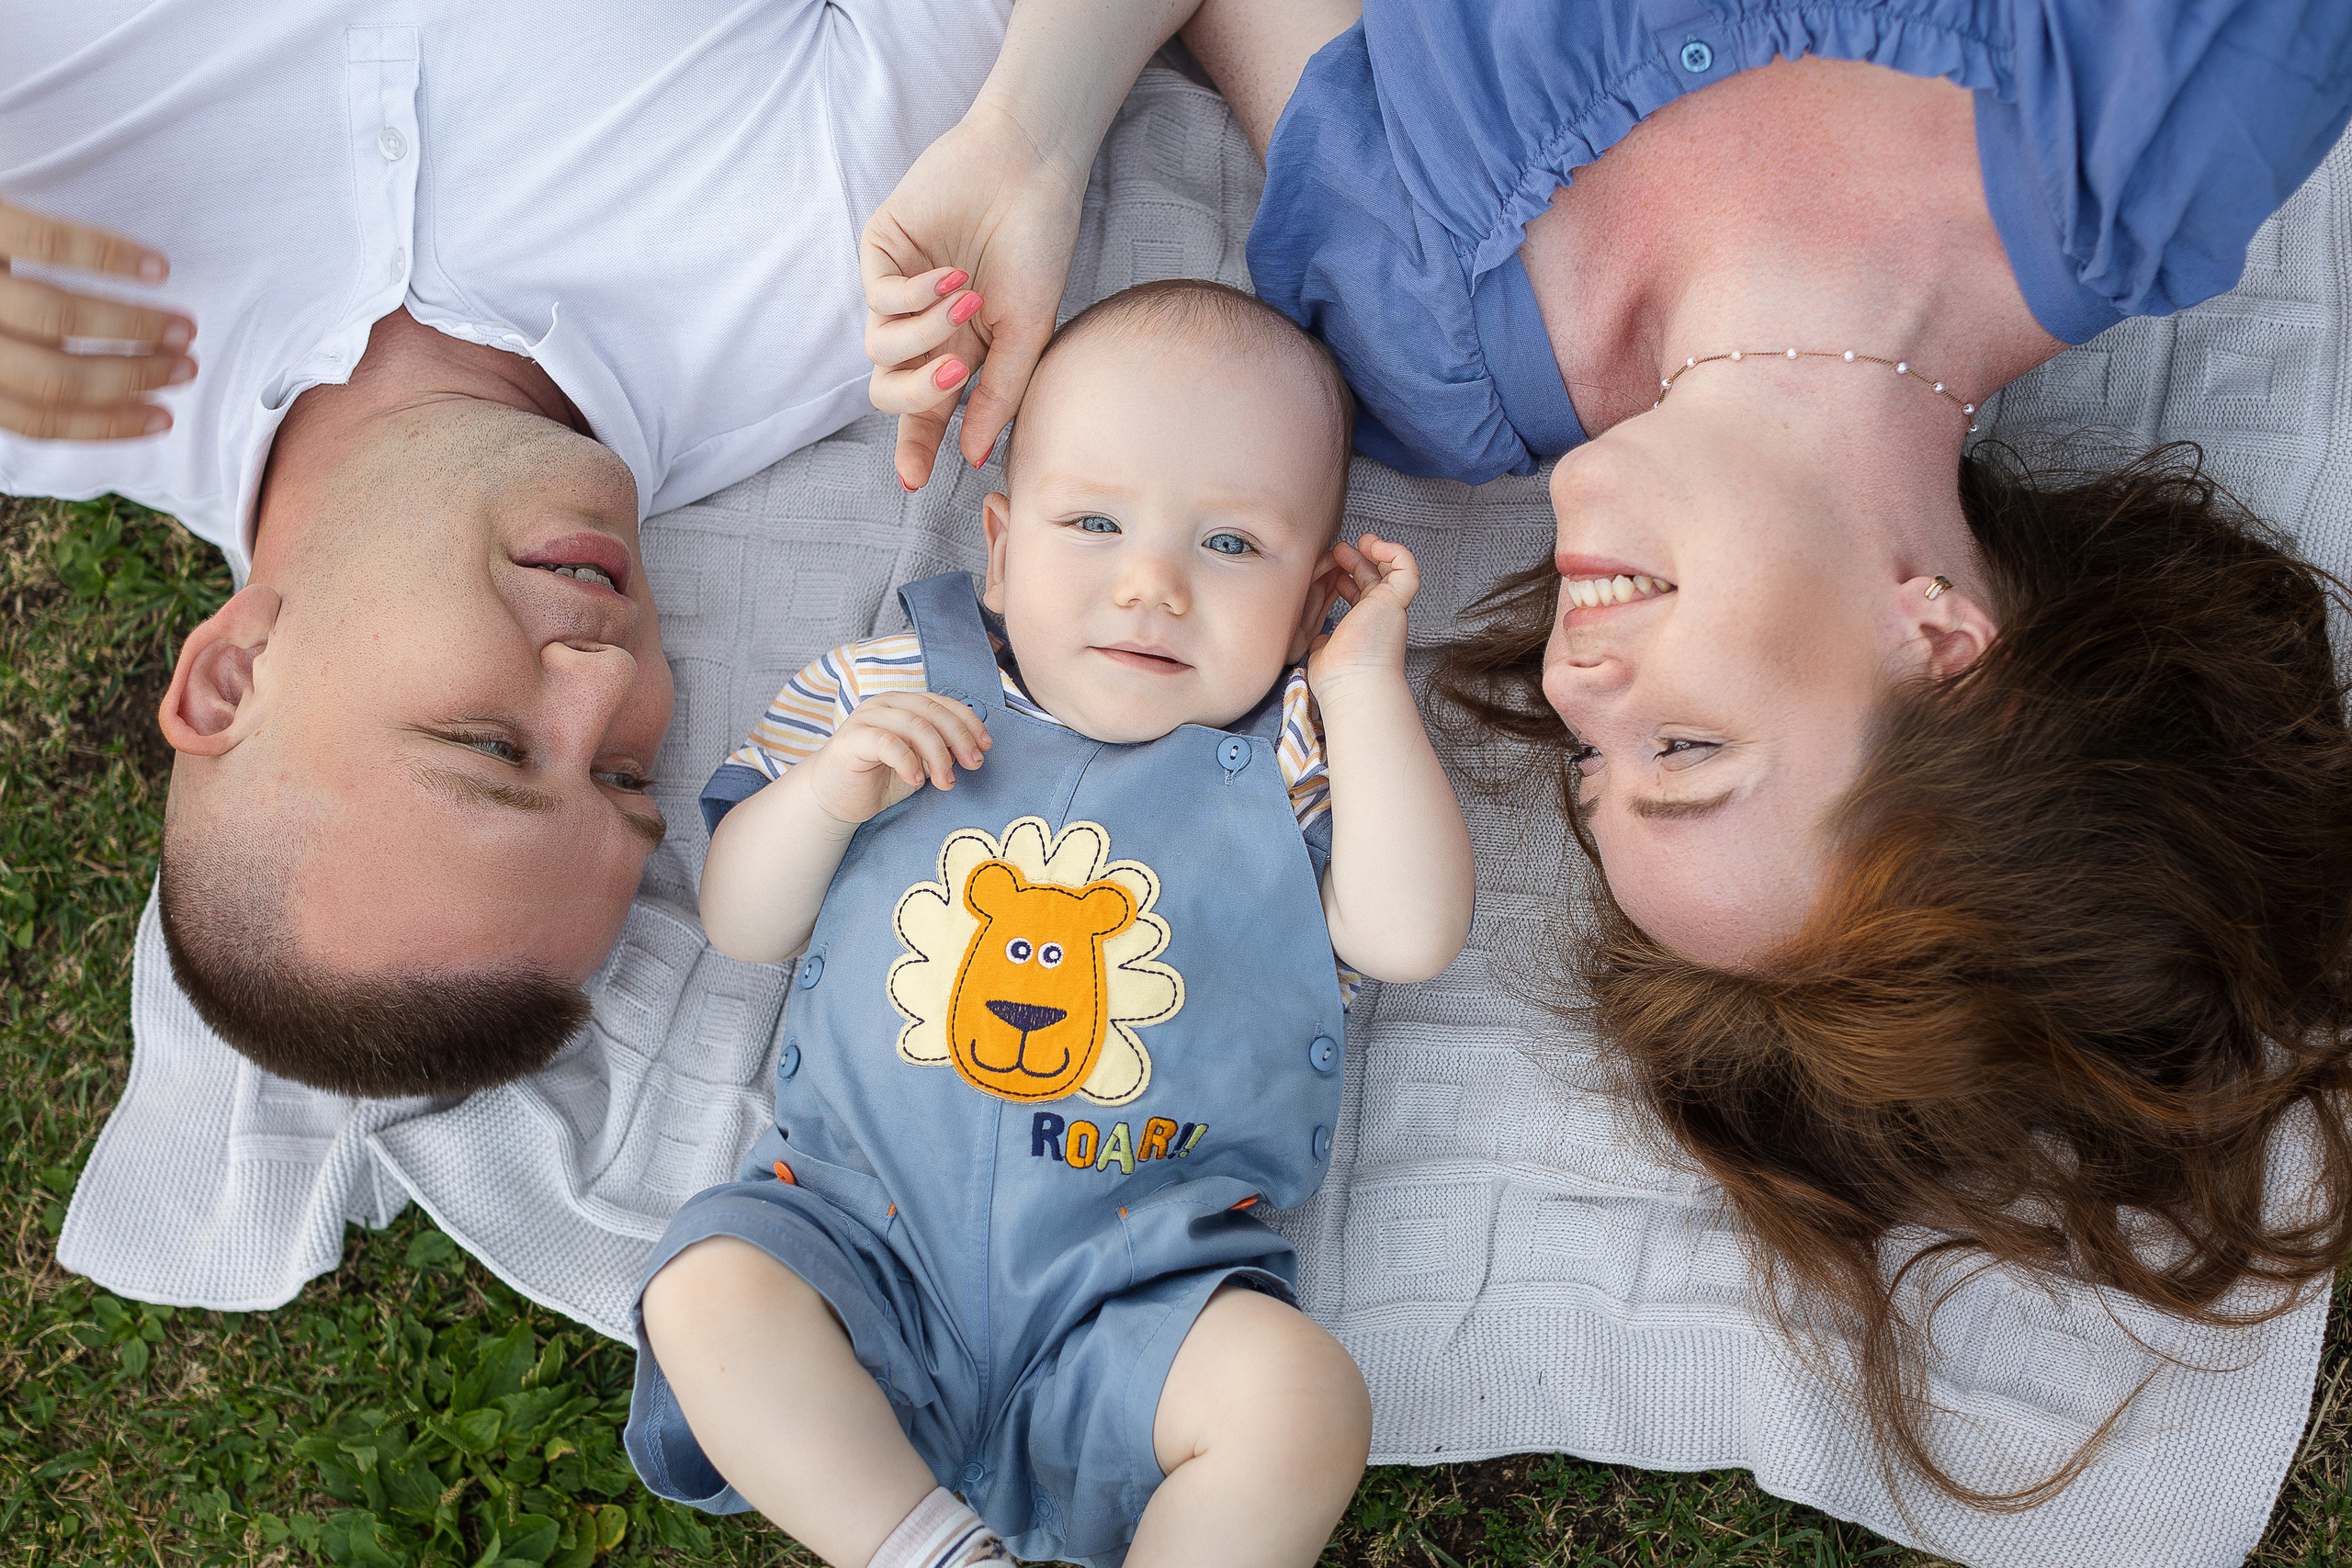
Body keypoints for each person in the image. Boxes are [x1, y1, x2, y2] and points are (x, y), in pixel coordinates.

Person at [855, 0, 2352, 1506]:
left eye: (1592, 763)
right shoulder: (2183, 108)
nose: (1576, 676)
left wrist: (1027, 140)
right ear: (1943, 643)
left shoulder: (1420, 329)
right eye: (1687, 748)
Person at [0, 0, 1011, 1096]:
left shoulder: (40, 351)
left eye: (487, 747)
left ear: (231, 677)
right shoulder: (853, 273)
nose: (608, 677)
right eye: (623, 773)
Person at [625, 280, 1476, 1567]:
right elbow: (743, 920)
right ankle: (919, 1546)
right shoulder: (891, 690)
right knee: (709, 1286)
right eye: (1096, 522)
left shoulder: (1303, 749)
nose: (1151, 586)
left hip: (1146, 1284)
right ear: (1004, 550)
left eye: (1232, 546)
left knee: (1301, 1400)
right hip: (860, 1237)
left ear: (1311, 601)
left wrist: (1361, 683)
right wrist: (825, 792)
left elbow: (1408, 934)